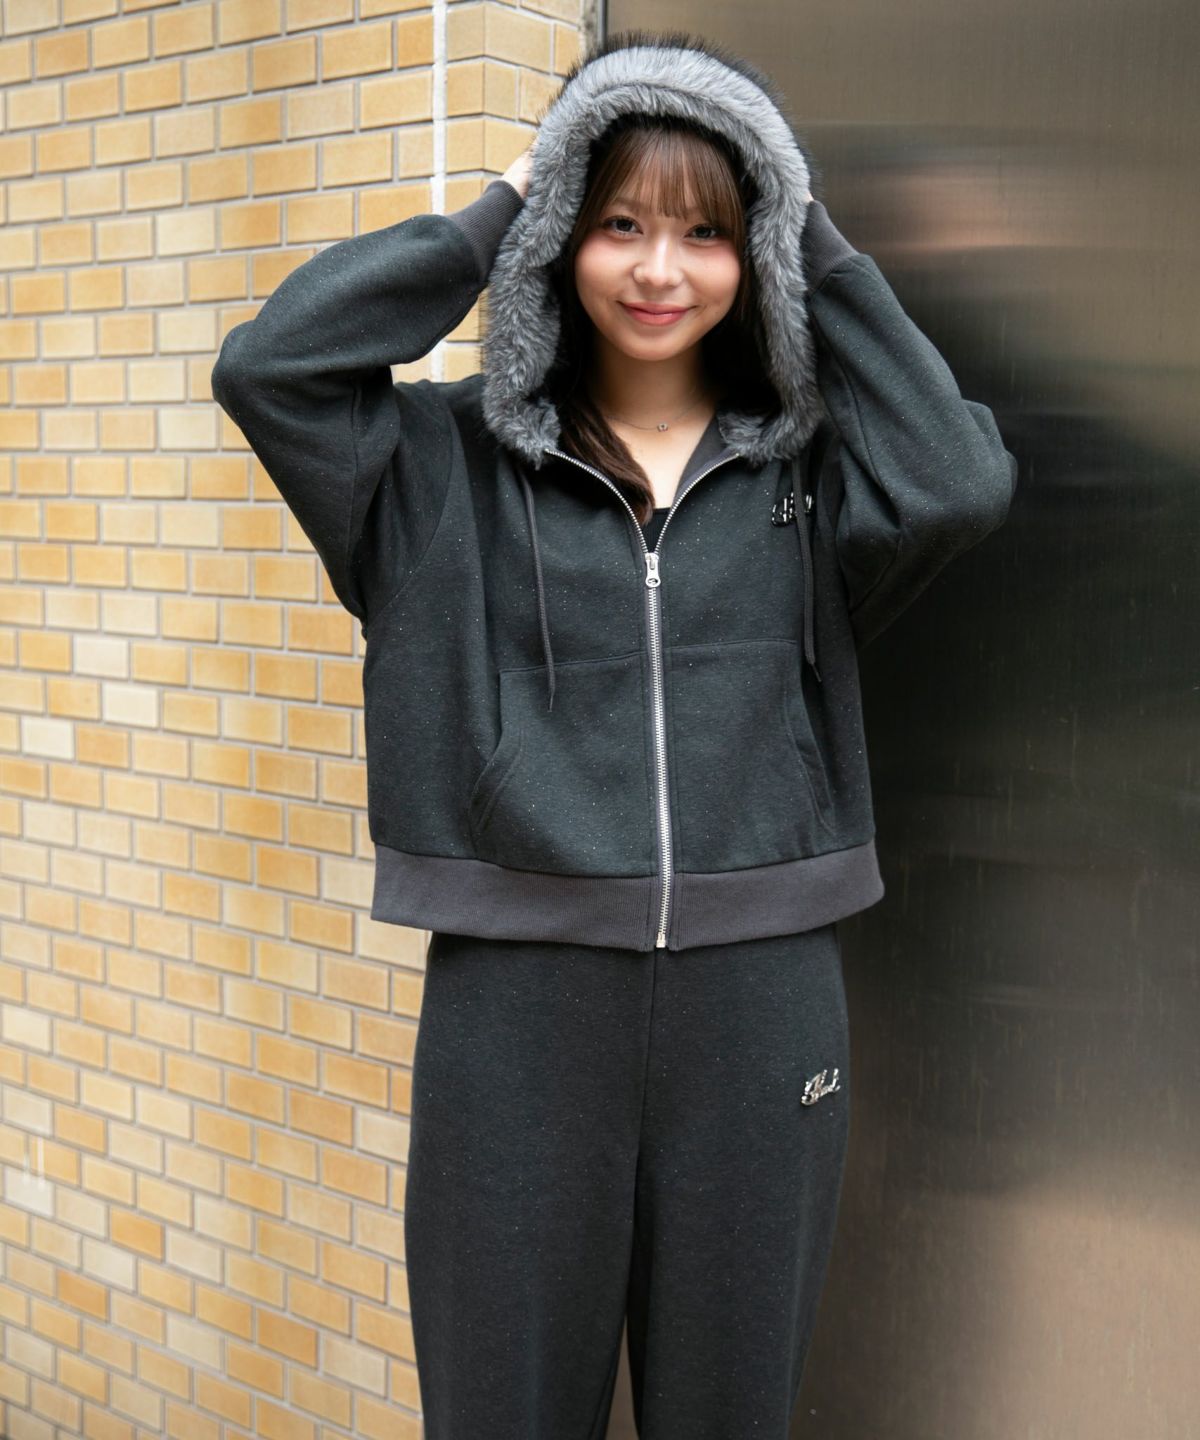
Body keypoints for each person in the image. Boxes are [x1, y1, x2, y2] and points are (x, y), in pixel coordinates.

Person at [210, 27, 1017, 1439]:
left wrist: (806, 228)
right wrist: (506, 203)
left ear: (754, 256)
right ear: (562, 239)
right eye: (619, 223)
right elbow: (271, 366)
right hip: (518, 1014)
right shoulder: (436, 468)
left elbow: (958, 478)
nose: (660, 271)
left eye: (709, 234)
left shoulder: (812, 476)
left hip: (762, 1007)